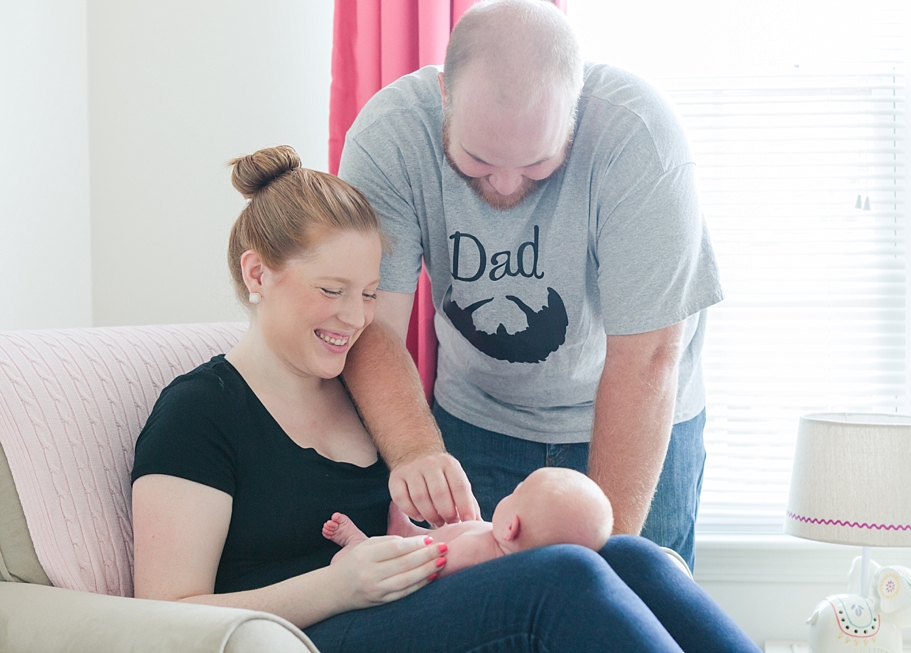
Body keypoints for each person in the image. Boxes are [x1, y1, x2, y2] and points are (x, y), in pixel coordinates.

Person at [130, 145, 760, 652]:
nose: (355, 318)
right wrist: (334, 586)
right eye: (332, 289)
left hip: (402, 612)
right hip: (308, 634)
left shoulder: (364, 396)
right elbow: (164, 615)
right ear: (257, 273)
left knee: (629, 556)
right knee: (565, 576)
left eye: (370, 292)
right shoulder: (198, 412)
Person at [336, 0, 722, 570]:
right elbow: (370, 324)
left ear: (576, 107)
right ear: (445, 94)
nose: (507, 183)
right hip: (480, 422)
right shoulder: (390, 137)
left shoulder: (639, 137)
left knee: (627, 606)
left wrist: (598, 568)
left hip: (632, 416)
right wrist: (416, 450)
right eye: (478, 159)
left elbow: (648, 359)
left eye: (538, 163)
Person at [324, 467, 614, 576]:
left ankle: (357, 543)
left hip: (409, 556)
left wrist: (373, 555)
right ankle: (407, 530)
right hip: (434, 537)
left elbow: (422, 564)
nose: (511, 492)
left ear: (510, 527)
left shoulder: (476, 553)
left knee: (366, 557)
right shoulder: (501, 544)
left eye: (517, 492)